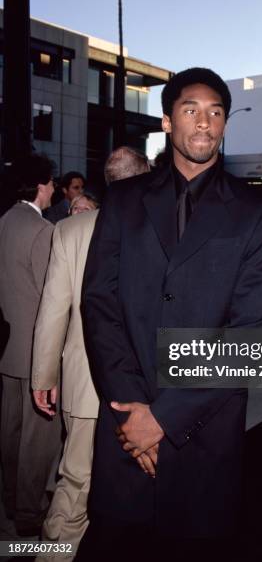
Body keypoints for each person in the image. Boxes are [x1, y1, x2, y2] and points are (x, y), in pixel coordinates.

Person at [78, 67, 262, 561]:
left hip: (205, 439)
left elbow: (252, 337)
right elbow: (99, 304)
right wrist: (134, 412)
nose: (204, 123)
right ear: (168, 121)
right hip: (124, 428)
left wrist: (165, 418)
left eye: (216, 113)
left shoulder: (258, 211)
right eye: (191, 110)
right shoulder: (124, 201)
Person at [31, 148, 149, 560]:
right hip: (146, 391)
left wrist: (44, 378)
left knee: (76, 481)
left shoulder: (70, 230)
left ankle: (53, 555)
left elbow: (52, 311)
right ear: (146, 175)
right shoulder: (164, 227)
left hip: (85, 384)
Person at [0, 154, 62, 537]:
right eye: (53, 182)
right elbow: (50, 298)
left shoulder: (4, 222)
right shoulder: (42, 231)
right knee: (38, 442)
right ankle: (28, 513)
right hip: (36, 353)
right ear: (41, 186)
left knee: (10, 434)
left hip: (8, 349)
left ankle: (9, 498)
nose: (54, 188)